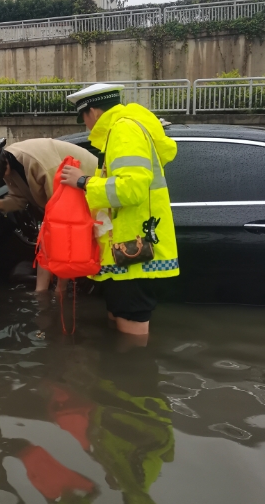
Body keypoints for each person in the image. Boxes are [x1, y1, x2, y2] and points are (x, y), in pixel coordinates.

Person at [61, 83, 179, 347]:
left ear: (92, 111)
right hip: (124, 250)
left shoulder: (124, 131)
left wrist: (83, 182)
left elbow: (131, 189)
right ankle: (119, 383)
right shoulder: (120, 130)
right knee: (120, 326)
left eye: (84, 119)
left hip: (134, 249)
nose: (86, 126)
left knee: (131, 334)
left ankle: (135, 384)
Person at [0, 138, 98, 292]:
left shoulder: (38, 163)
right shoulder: (6, 162)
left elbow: (62, 208)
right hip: (63, 197)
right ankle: (41, 292)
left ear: (4, 165)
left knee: (59, 240)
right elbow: (18, 201)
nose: (1, 179)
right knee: (47, 243)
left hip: (88, 189)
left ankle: (59, 291)